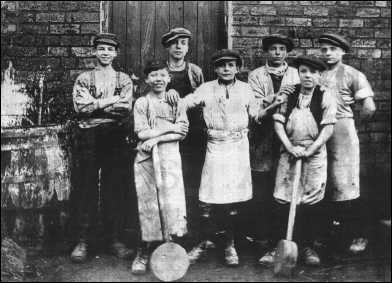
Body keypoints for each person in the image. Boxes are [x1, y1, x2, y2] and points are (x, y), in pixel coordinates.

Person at [183, 49, 266, 266]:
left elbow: (257, 114)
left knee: (232, 199)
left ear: (238, 68)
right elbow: (188, 102)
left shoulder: (246, 90)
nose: (226, 69)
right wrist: (171, 99)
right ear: (216, 69)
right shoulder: (207, 88)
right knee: (208, 197)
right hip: (215, 145)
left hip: (238, 146)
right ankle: (204, 241)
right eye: (222, 65)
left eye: (231, 65)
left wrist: (272, 105)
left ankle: (230, 245)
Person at [70, 33, 134, 263]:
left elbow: (125, 108)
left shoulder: (123, 79)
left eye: (110, 49)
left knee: (114, 185)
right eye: (102, 49)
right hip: (89, 135)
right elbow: (82, 107)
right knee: (86, 184)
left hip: (115, 135)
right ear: (94, 52)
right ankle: (83, 240)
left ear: (116, 53)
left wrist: (97, 106)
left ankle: (114, 238)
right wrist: (109, 101)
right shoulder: (84, 78)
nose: (106, 53)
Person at [271, 55, 337, 266]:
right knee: (283, 197)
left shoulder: (326, 96)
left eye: (313, 72)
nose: (308, 76)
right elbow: (278, 123)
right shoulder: (289, 94)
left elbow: (328, 128)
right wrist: (290, 147)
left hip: (314, 153)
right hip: (288, 151)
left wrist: (311, 149)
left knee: (310, 199)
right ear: (298, 73)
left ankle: (307, 246)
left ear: (320, 75)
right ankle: (278, 245)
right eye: (304, 71)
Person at [318, 33, 376, 254]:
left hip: (342, 129)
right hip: (321, 129)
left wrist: (351, 123)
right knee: (323, 181)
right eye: (324, 49)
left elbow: (369, 107)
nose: (328, 53)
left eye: (333, 49)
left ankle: (359, 234)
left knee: (346, 183)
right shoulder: (317, 74)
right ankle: (329, 232)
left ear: (342, 51)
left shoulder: (353, 74)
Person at [131, 60, 189, 275]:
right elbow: (141, 133)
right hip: (146, 159)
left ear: (169, 78)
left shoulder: (177, 102)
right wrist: (169, 128)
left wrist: (157, 138)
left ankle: (171, 247)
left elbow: (182, 132)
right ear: (147, 80)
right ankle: (144, 250)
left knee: (171, 202)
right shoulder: (142, 103)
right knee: (149, 205)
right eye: (153, 75)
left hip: (170, 157)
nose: (158, 79)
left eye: (162, 75)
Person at [247, 34, 300, 265]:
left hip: (288, 133)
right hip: (264, 135)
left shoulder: (296, 74)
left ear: (286, 52)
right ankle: (263, 240)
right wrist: (275, 99)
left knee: (286, 185)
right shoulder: (256, 75)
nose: (277, 52)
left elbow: (300, 102)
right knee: (264, 184)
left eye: (281, 49)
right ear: (266, 52)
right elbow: (256, 108)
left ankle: (287, 238)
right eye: (273, 49)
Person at [161, 27, 206, 241]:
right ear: (168, 47)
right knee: (170, 180)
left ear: (188, 48)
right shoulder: (160, 71)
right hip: (167, 132)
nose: (179, 47)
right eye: (175, 43)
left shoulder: (195, 71)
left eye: (183, 43)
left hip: (192, 133)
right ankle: (169, 231)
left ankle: (192, 232)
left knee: (191, 179)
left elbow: (202, 98)